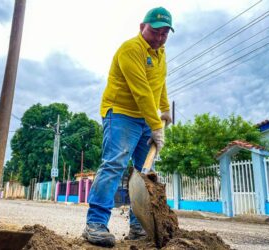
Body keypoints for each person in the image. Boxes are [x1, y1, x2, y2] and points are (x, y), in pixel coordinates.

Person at [82, 7, 174, 247]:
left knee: (144, 175)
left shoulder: (160, 52)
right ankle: (95, 224)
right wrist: (157, 126)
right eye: (155, 31)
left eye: (164, 33)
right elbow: (141, 90)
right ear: (141, 26)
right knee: (114, 165)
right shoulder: (130, 49)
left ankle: (138, 226)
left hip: (145, 118)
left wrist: (164, 109)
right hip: (121, 114)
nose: (159, 37)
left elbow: (159, 83)